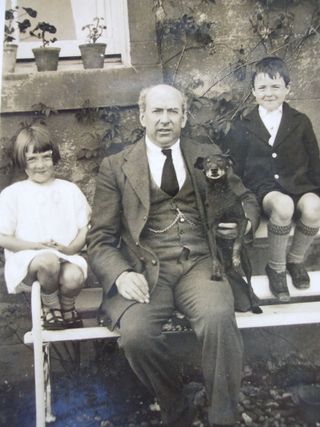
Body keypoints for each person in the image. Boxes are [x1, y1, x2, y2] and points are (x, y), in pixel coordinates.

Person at [87, 84, 260, 427]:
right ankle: (176, 406)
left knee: (218, 320)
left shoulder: (206, 154)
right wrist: (121, 275)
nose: (164, 120)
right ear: (142, 117)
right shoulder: (116, 166)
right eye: (156, 111)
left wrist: (242, 226)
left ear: (184, 117)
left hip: (202, 265)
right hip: (149, 269)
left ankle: (222, 418)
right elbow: (100, 238)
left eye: (172, 112)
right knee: (136, 335)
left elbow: (248, 200)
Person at [224, 56, 320, 302]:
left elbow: (314, 159)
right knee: (283, 205)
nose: (269, 93)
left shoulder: (300, 121)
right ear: (254, 91)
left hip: (299, 185)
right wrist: (240, 199)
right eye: (263, 87)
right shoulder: (243, 124)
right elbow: (236, 167)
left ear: (287, 88)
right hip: (264, 190)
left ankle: (295, 261)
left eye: (275, 86)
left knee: (313, 206)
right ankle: (275, 268)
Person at [0, 123, 91, 330]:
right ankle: (50, 307)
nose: (40, 165)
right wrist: (37, 247)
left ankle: (67, 309)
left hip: (64, 256)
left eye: (46, 157)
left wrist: (69, 249)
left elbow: (84, 228)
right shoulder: (13, 194)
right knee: (48, 261)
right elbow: (2, 237)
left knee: (73, 276)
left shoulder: (70, 190)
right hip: (29, 259)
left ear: (54, 157)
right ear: (22, 161)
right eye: (32, 159)